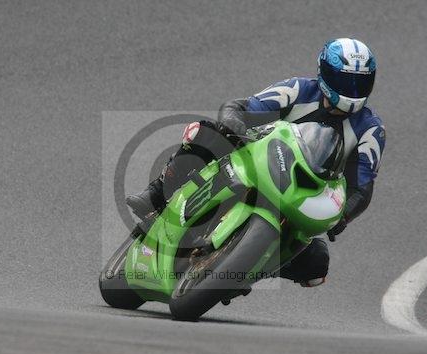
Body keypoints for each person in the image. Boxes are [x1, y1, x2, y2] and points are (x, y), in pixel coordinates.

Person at [126, 38, 385, 287]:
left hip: (303, 192)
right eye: (345, 80)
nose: (352, 91)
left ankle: (246, 268)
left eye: (360, 83)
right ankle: (157, 193)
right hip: (260, 158)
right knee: (207, 133)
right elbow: (242, 107)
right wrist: (234, 124)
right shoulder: (299, 90)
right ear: (325, 73)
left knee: (317, 264)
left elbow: (362, 187)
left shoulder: (370, 129)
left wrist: (344, 215)